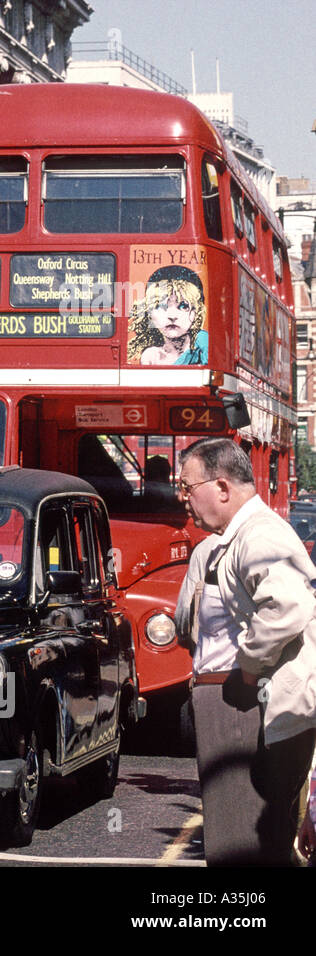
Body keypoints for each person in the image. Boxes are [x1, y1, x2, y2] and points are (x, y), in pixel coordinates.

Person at [176, 436, 316, 864]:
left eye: (188, 487)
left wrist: (249, 670)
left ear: (221, 487)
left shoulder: (260, 535)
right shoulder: (231, 539)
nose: (183, 498)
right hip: (236, 703)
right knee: (255, 845)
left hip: (245, 705)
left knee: (238, 849)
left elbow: (289, 607)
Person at [128, 264, 208, 366]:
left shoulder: (203, 347)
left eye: (183, 306)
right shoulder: (152, 356)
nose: (172, 316)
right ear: (149, 313)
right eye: (161, 306)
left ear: (197, 312)